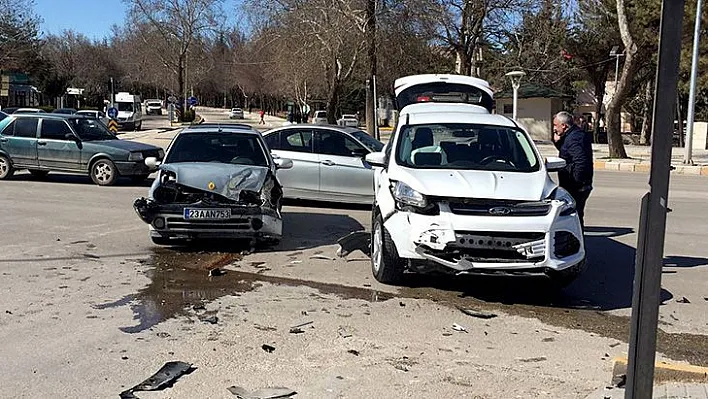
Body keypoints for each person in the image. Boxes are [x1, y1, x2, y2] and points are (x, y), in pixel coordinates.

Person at [552, 111, 594, 227]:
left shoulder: (574, 139)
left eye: (556, 125)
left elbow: (580, 162)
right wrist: (558, 141)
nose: (554, 129)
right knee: (572, 215)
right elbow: (566, 151)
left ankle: (576, 242)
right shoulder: (573, 134)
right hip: (575, 184)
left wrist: (576, 182)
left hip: (576, 185)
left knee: (573, 215)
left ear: (564, 125)